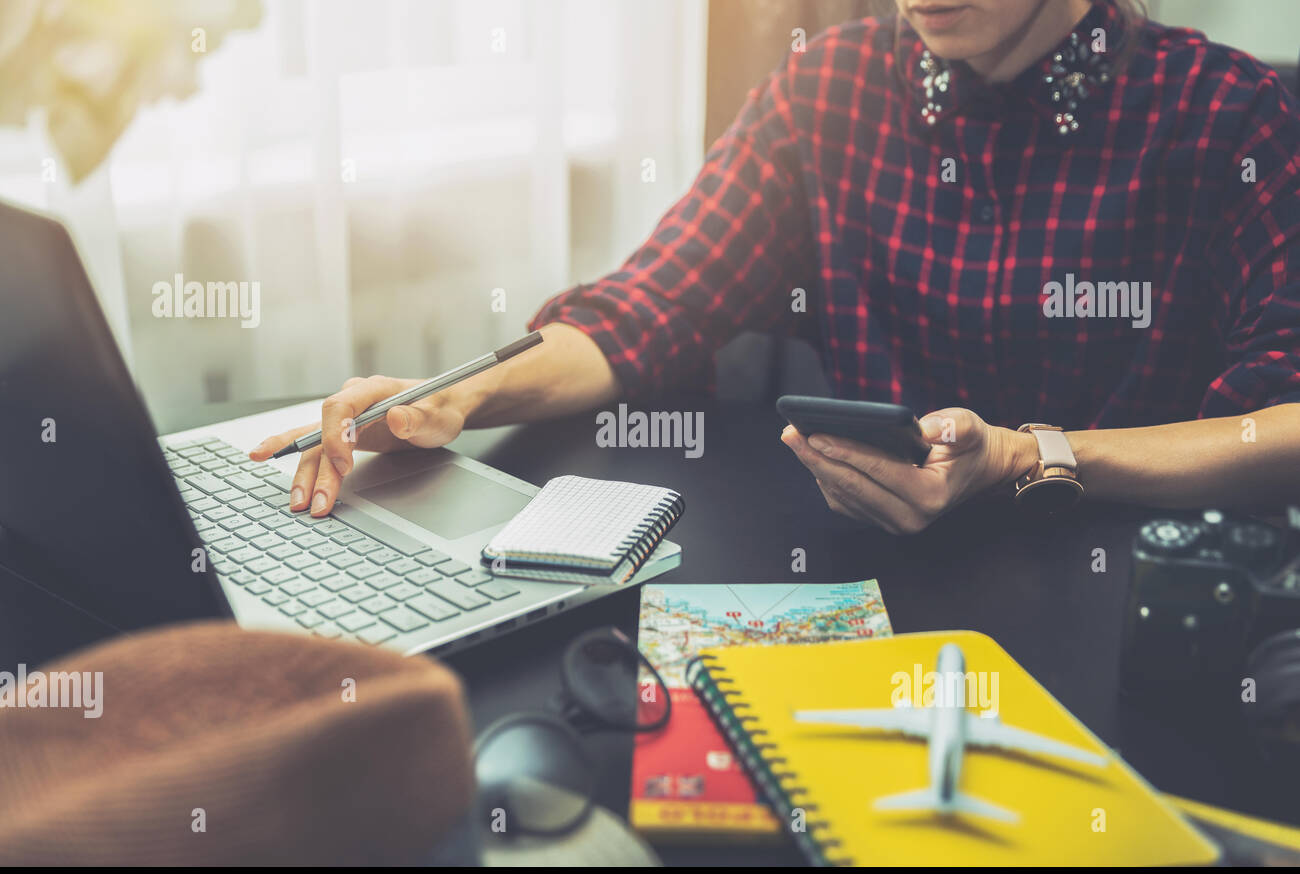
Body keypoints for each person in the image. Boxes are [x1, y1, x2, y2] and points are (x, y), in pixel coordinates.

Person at [253, 0, 1300, 534]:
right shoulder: (829, 88)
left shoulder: (1232, 115)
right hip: (863, 570)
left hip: (1124, 592)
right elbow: (650, 306)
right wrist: (459, 392)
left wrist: (1031, 458)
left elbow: (1282, 422)